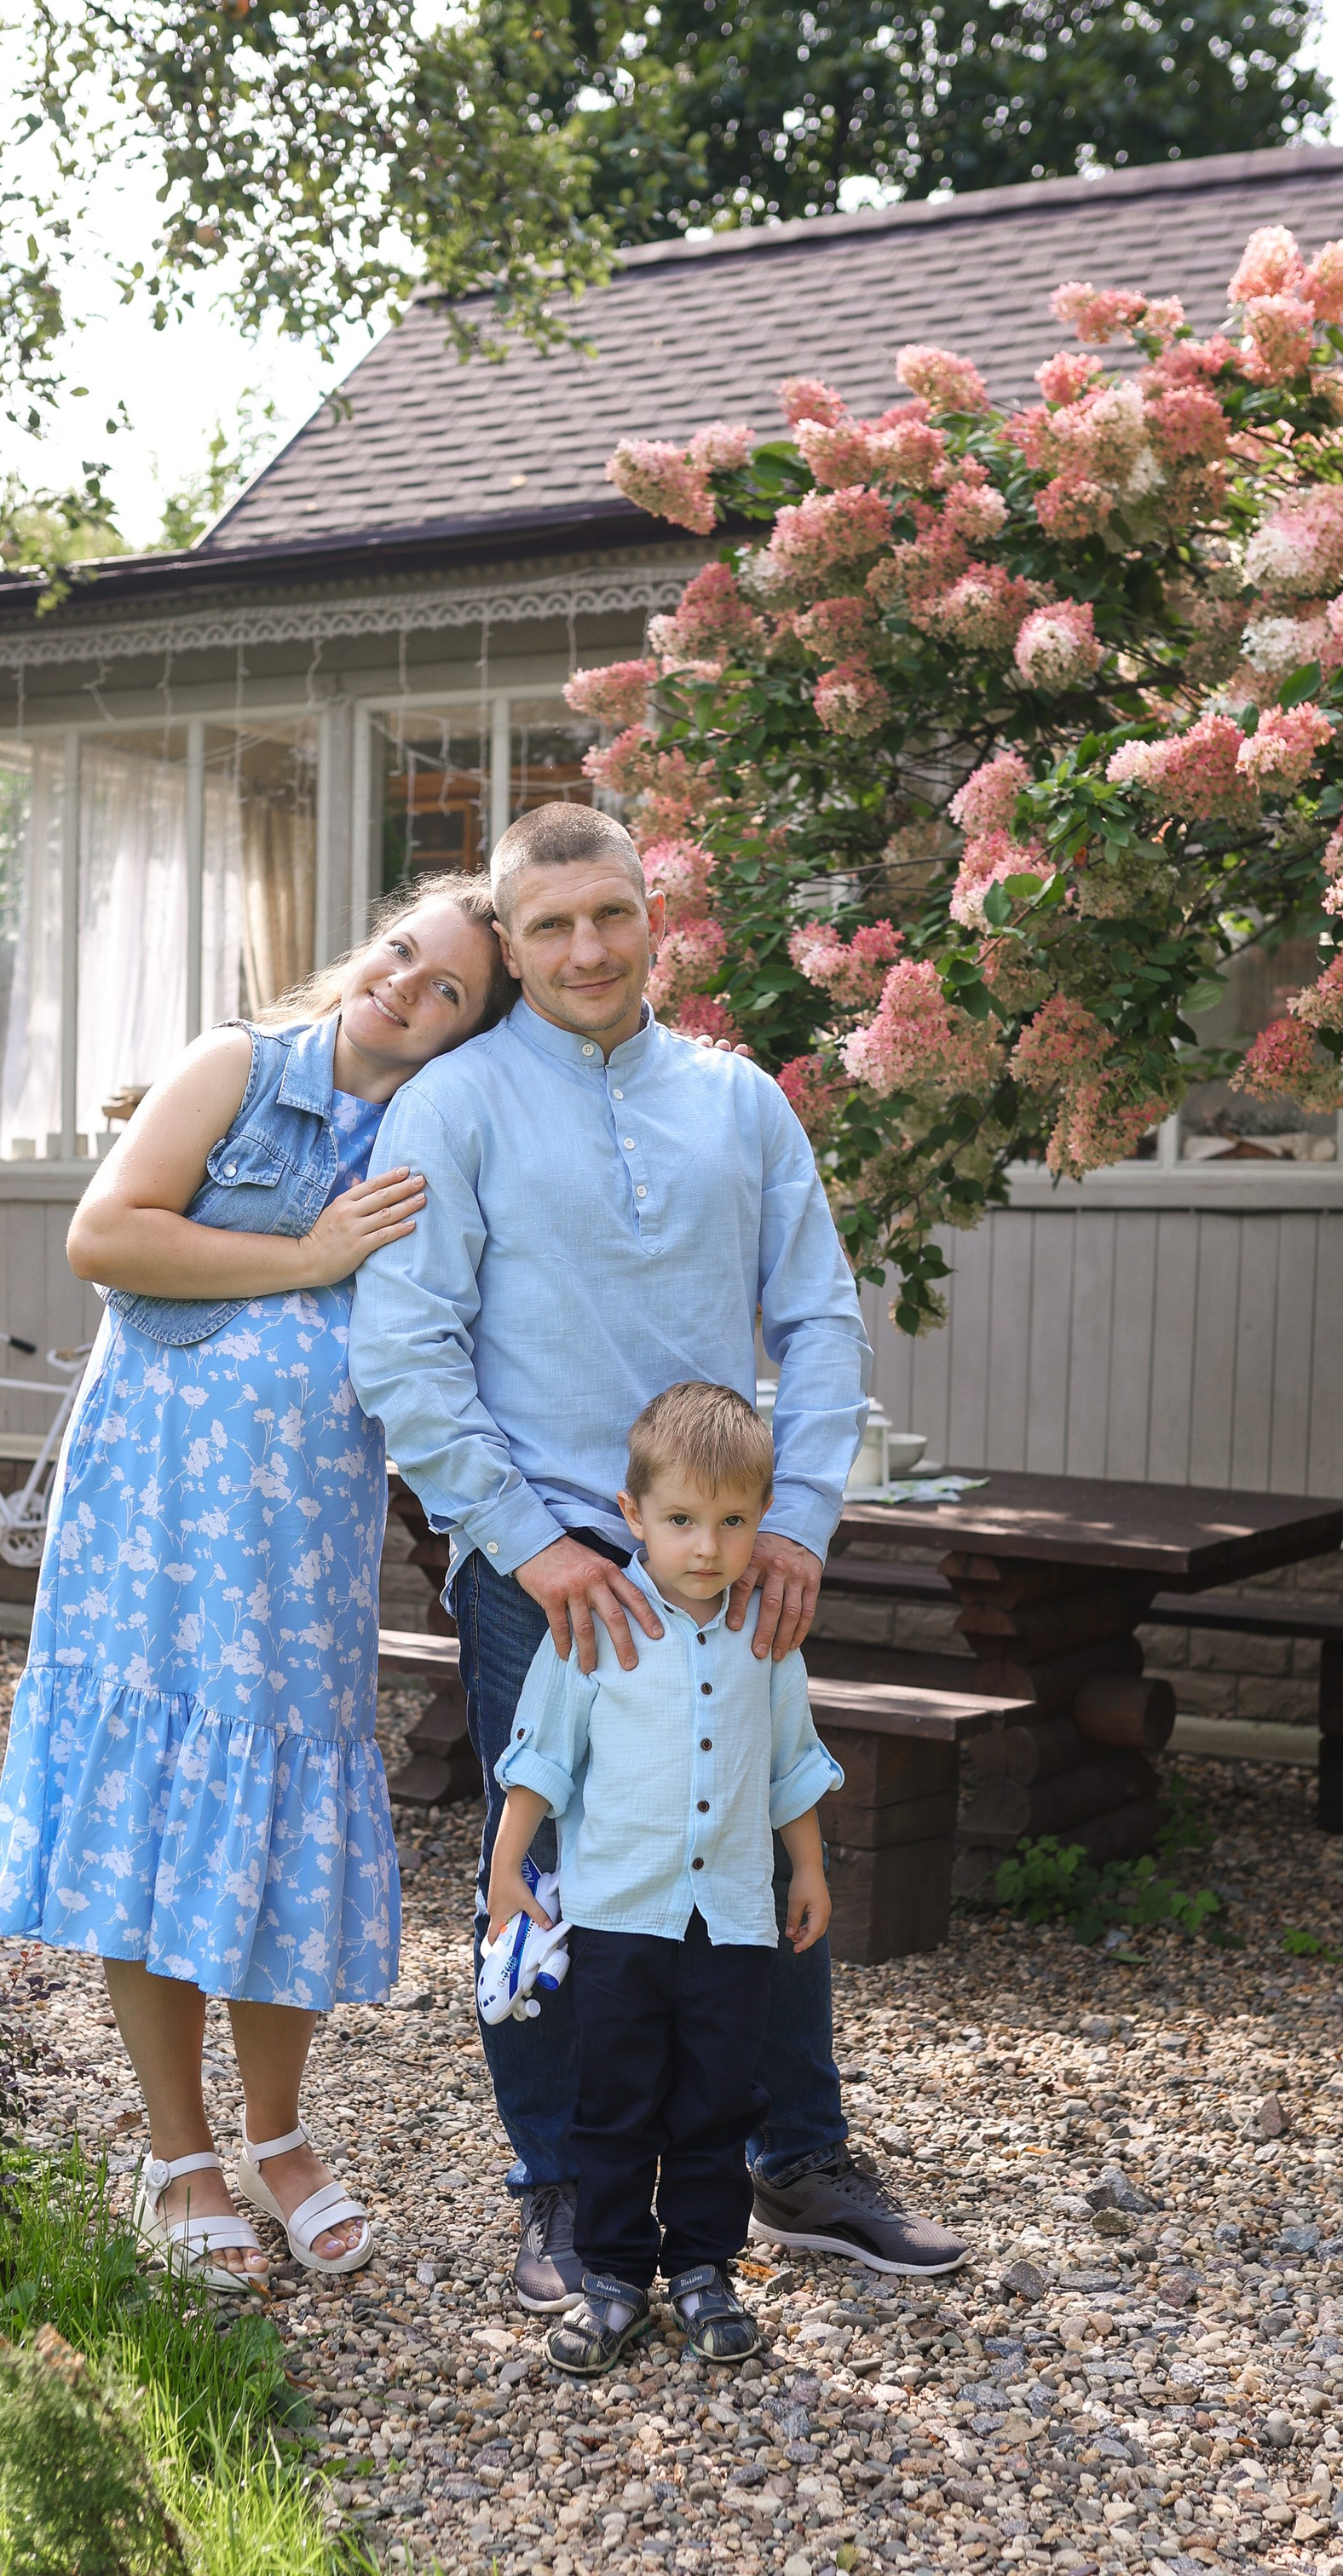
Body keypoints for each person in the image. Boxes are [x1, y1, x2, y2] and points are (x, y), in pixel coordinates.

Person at [349, 802, 968, 2311]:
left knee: (751, 1838)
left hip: (728, 1556)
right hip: (551, 1566)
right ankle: (561, 2187)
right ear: (507, 938)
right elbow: (406, 1350)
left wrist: (804, 1519)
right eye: (549, 925)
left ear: (656, 917)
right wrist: (527, 1545)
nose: (585, 949)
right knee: (556, 1863)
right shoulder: (455, 1104)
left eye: (611, 914)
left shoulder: (738, 1099)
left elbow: (819, 1320)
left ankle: (795, 2158)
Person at [0, 878, 516, 2295]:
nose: (406, 985)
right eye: (406, 952)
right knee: (154, 1819)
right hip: (151, 1525)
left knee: (282, 1817)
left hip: (303, 1544)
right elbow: (107, 1235)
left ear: (471, 1035)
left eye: (448, 988)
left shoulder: (439, 1141)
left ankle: (279, 2140)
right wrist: (308, 1255)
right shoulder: (239, 1067)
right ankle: (181, 2152)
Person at [487, 1383, 841, 2373]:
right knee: (614, 2104)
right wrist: (508, 1870)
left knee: (715, 2104)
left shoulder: (763, 1637)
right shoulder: (596, 1624)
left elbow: (790, 1761)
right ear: (633, 1514)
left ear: (759, 1520)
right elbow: (541, 1755)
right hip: (618, 1919)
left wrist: (805, 1868)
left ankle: (701, 2271)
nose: (707, 1547)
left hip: (730, 1920)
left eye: (733, 1523)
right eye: (682, 1520)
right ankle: (609, 2281)